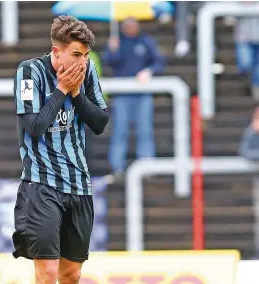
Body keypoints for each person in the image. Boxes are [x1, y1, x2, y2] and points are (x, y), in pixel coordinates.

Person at [11, 15, 109, 284]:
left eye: (86, 55)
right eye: (76, 54)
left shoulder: (87, 72)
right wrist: (62, 90)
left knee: (71, 274)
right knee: (48, 272)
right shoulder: (29, 72)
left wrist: (77, 94)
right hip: (42, 186)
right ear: (57, 51)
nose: (82, 61)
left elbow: (100, 122)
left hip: (79, 185)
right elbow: (34, 126)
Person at [103, 17, 164, 183]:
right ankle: (117, 168)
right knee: (119, 131)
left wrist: (149, 71)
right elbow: (109, 62)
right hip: (122, 94)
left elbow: (159, 62)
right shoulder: (117, 42)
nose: (130, 28)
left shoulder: (146, 42)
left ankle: (148, 165)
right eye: (127, 25)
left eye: (133, 25)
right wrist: (112, 49)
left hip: (142, 93)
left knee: (145, 130)